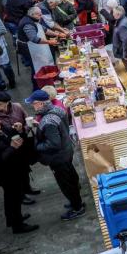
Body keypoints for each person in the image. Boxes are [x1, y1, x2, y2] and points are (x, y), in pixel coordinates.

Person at [26, 90, 85, 220]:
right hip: (67, 150)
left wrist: (37, 146)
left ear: (41, 104)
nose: (32, 106)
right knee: (71, 178)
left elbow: (53, 143)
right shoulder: (58, 109)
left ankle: (77, 208)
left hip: (58, 158)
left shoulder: (47, 121)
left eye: (34, 104)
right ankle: (77, 201)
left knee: (66, 183)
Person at [0, 111, 37, 233]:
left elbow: (11, 133)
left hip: (14, 170)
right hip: (6, 175)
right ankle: (17, 226)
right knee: (13, 198)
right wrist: (12, 148)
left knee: (14, 197)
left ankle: (14, 219)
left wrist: (19, 129)